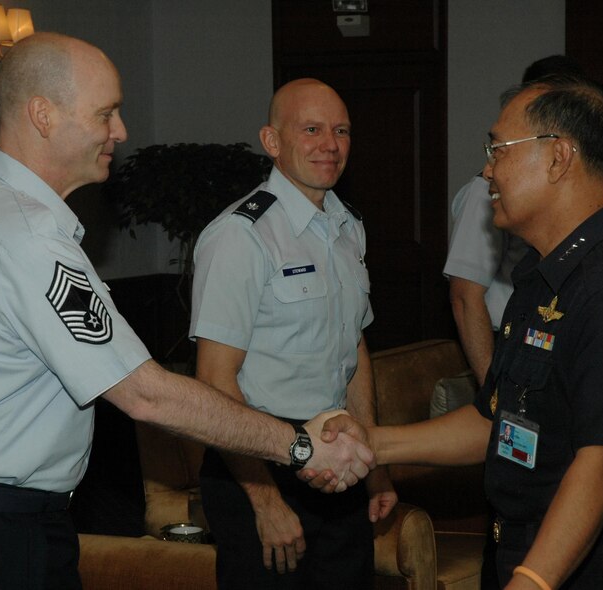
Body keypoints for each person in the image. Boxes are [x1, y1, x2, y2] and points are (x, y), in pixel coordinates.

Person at [0, 34, 374, 590]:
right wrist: (297, 445)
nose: (121, 131)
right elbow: (144, 393)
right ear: (42, 115)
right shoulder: (26, 237)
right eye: (106, 112)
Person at [318, 73, 603, 589]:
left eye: (499, 149)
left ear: (559, 157)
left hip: (596, 567)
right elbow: (496, 422)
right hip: (524, 551)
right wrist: (374, 444)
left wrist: (531, 582)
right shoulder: (543, 278)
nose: (486, 168)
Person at [188, 78, 396, 590]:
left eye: (341, 130)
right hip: (259, 462)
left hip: (337, 459)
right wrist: (265, 499)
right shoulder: (240, 236)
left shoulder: (348, 227)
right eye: (312, 129)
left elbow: (355, 349)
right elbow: (215, 381)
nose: (330, 143)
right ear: (272, 141)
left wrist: (372, 462)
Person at [446, 55, 585, 388]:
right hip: (505, 336)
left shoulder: (579, 184)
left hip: (558, 336)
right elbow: (466, 297)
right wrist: (493, 393)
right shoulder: (486, 190)